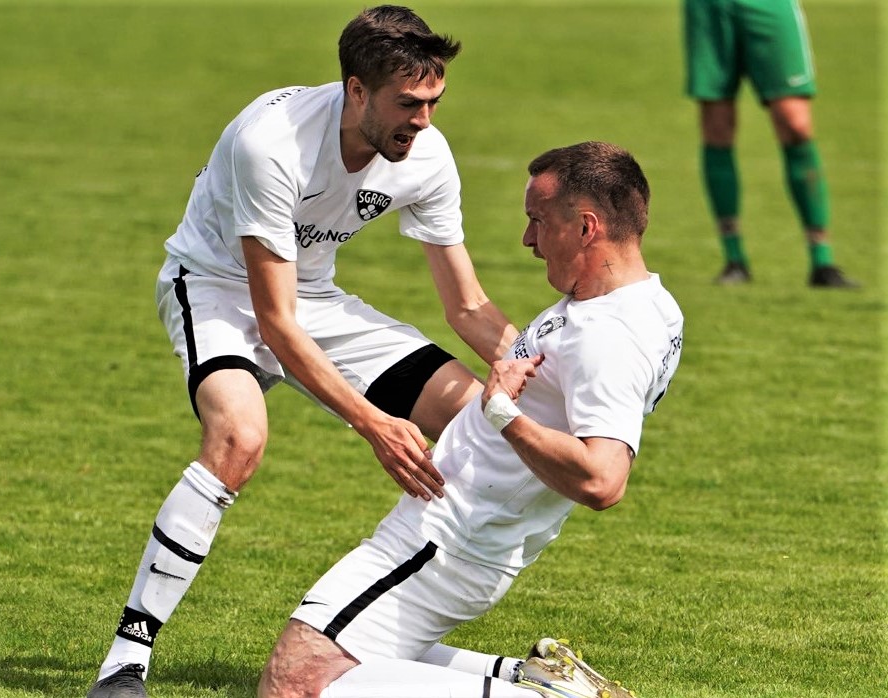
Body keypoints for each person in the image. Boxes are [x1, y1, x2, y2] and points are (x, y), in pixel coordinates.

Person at [86, 6, 519, 697]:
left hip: (312, 296)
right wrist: (373, 423)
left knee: (480, 423)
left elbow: (466, 306)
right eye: (408, 103)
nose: (424, 120)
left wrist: (548, 375)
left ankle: (425, 651)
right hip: (218, 287)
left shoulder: (427, 155)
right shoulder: (272, 142)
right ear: (356, 90)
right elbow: (275, 325)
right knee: (239, 438)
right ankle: (125, 661)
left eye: (434, 101)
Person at [258, 141, 684, 698]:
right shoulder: (643, 304)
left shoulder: (608, 334)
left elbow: (603, 481)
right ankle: (530, 678)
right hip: (462, 537)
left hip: (449, 541)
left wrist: (502, 412)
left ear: (586, 227)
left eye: (538, 221)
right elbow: (540, 368)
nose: (528, 240)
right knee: (360, 655)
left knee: (297, 684)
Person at [683, 0, 857, 287]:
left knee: (796, 124)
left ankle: (822, 260)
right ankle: (734, 259)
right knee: (717, 125)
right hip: (710, 7)